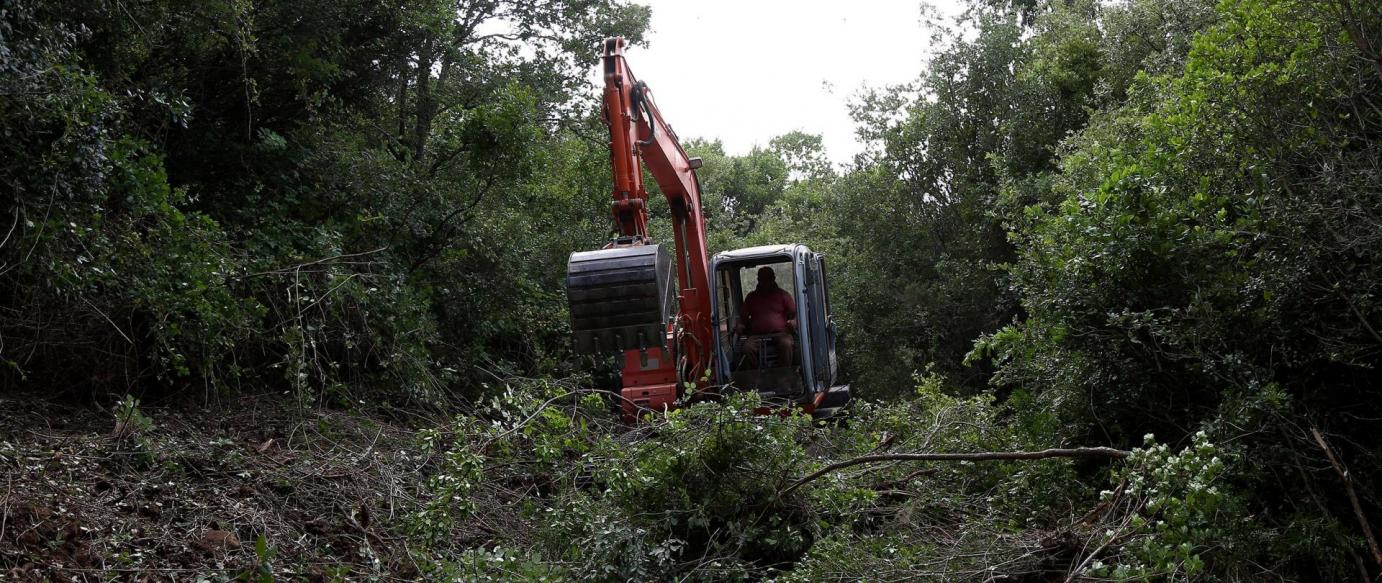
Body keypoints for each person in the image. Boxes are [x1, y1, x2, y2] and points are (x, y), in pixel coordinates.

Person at [736, 266, 797, 367]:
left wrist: (794, 322)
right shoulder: (751, 297)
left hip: (781, 334)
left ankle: (784, 373)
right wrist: (740, 325)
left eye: (768, 279)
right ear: (758, 280)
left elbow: (795, 314)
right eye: (762, 279)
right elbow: (743, 317)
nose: (765, 282)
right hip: (756, 336)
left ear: (773, 279)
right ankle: (756, 376)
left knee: (786, 344)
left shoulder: (783, 295)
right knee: (747, 348)